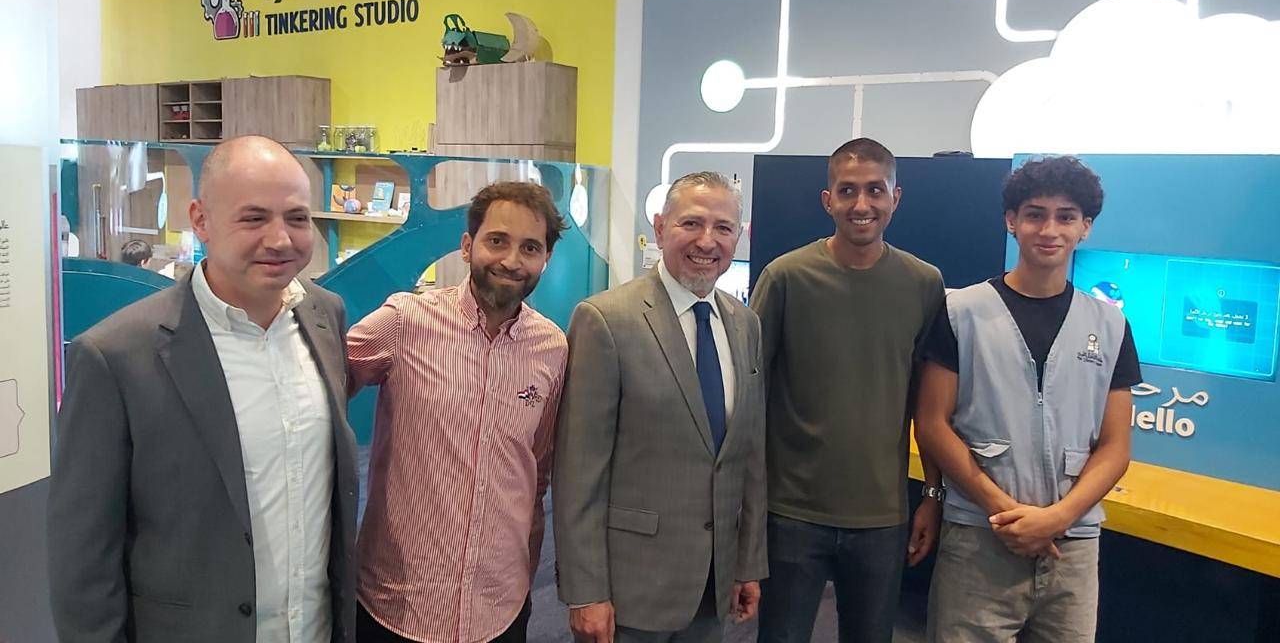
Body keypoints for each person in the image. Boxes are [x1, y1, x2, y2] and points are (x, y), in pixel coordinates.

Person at [48, 135, 359, 643]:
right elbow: (83, 557)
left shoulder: (325, 315)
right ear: (200, 220)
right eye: (253, 218)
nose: (281, 239)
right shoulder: (116, 356)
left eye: (297, 218)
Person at [915, 155, 1140, 643]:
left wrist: (1057, 517)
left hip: (1072, 547)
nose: (1049, 229)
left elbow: (1116, 446)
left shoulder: (1110, 325)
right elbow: (932, 422)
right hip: (979, 538)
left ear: (1085, 227)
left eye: (1066, 216)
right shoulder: (961, 311)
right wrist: (1004, 512)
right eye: (1035, 214)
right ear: (1011, 221)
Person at [347, 181, 569, 643]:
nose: (511, 260)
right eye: (497, 241)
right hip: (398, 606)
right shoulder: (405, 321)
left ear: (546, 259)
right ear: (468, 246)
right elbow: (315, 388)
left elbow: (537, 469)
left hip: (500, 608)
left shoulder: (552, 347)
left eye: (530, 248)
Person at [554, 171, 767, 643]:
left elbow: (749, 455)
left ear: (739, 235)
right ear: (660, 227)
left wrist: (747, 562)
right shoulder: (606, 320)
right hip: (630, 590)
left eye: (723, 227)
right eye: (691, 223)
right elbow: (578, 472)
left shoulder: (745, 324)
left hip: (712, 586)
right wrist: (586, 592)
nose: (707, 241)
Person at [750, 138, 946, 643]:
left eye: (875, 190)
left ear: (895, 197)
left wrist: (931, 494)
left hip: (881, 517)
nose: (862, 204)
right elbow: (750, 395)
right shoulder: (786, 277)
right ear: (828, 200)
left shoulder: (924, 284)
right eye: (848, 190)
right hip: (791, 514)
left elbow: (929, 405)